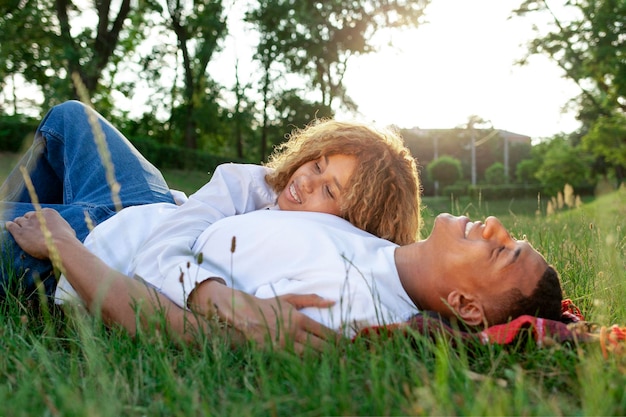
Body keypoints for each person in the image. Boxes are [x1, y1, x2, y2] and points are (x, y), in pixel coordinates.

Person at [0, 100, 421, 303]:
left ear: (355, 224)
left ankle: (28, 220)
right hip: (148, 202)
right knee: (70, 117)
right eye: (317, 164)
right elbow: (166, 246)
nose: (306, 181)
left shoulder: (324, 260)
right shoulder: (255, 184)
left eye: (330, 189)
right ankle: (27, 212)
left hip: (93, 249)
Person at [6, 206, 564, 351]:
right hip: (154, 209)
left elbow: (169, 327)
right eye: (508, 236)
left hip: (80, 250)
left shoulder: (352, 309)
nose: (493, 227)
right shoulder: (382, 247)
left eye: (503, 253)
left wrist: (61, 245)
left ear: (466, 306)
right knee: (70, 119)